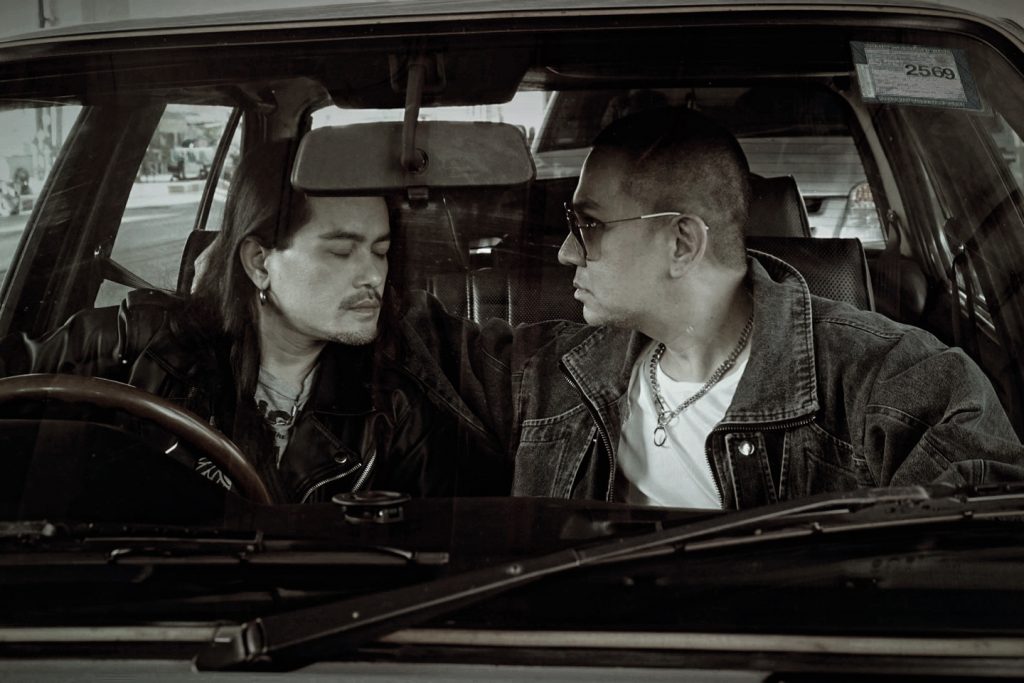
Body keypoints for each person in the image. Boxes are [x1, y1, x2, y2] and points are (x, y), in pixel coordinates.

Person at [401, 107, 1024, 509]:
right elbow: (407, 335)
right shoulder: (550, 375)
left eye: (588, 225)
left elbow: (979, 546)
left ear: (681, 243)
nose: (566, 252)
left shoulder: (892, 382)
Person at [0, 139, 503, 504]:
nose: (374, 275)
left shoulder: (394, 405)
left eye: (380, 250)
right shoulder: (132, 344)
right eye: (341, 251)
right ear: (259, 263)